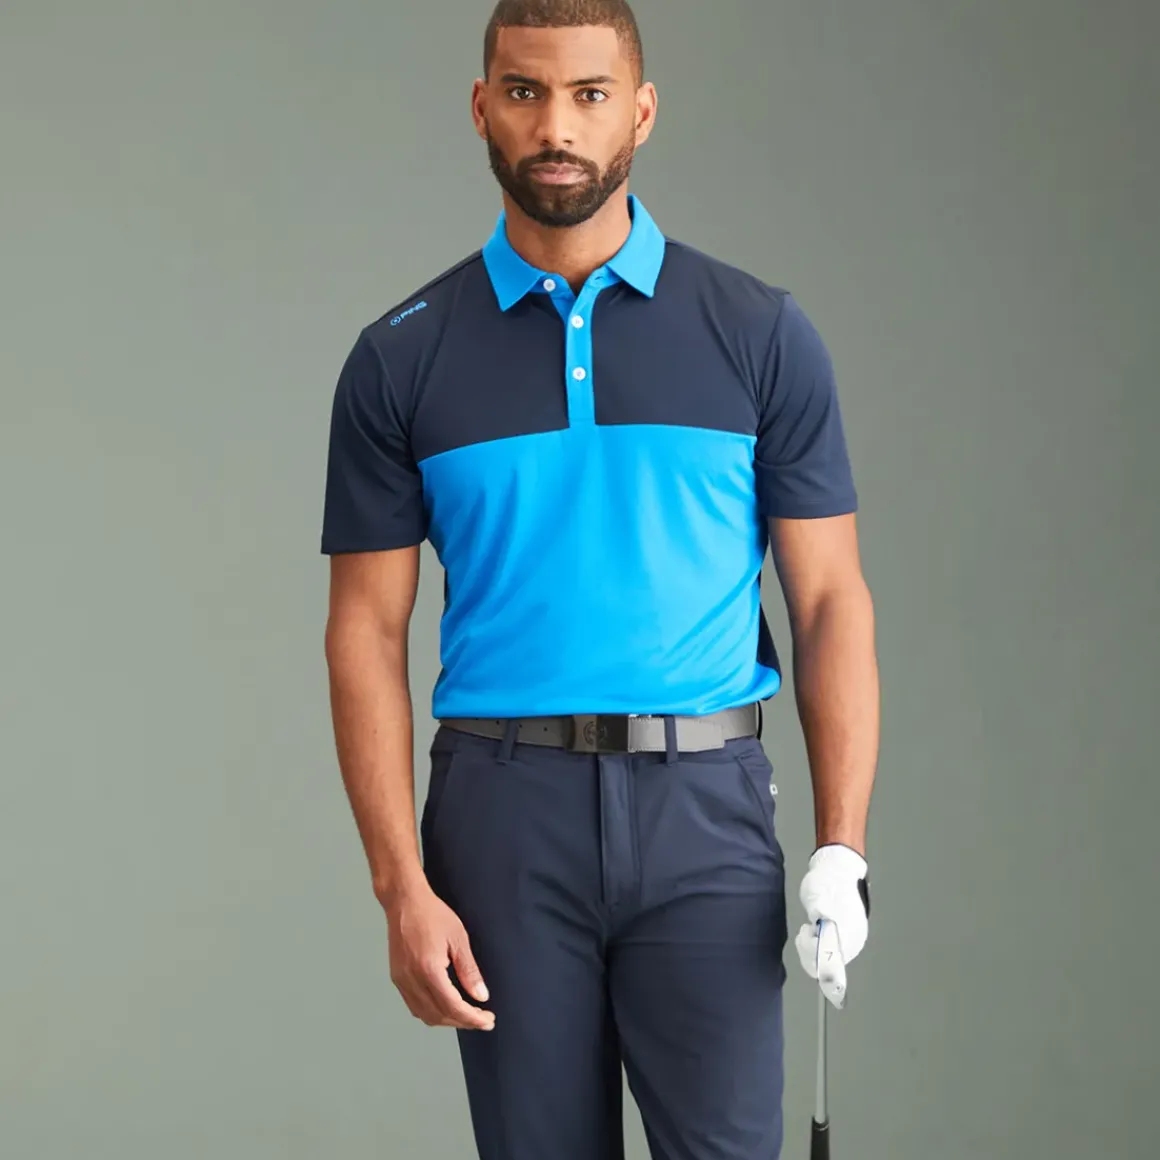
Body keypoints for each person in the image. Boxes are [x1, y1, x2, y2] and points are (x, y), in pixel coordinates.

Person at [320, 1, 878, 1156]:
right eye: (525, 93)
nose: (555, 127)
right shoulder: (401, 356)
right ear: (482, 107)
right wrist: (399, 885)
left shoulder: (757, 333)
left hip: (705, 810)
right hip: (500, 818)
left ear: (641, 110)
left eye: (587, 94)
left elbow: (828, 599)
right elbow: (365, 630)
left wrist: (841, 845)